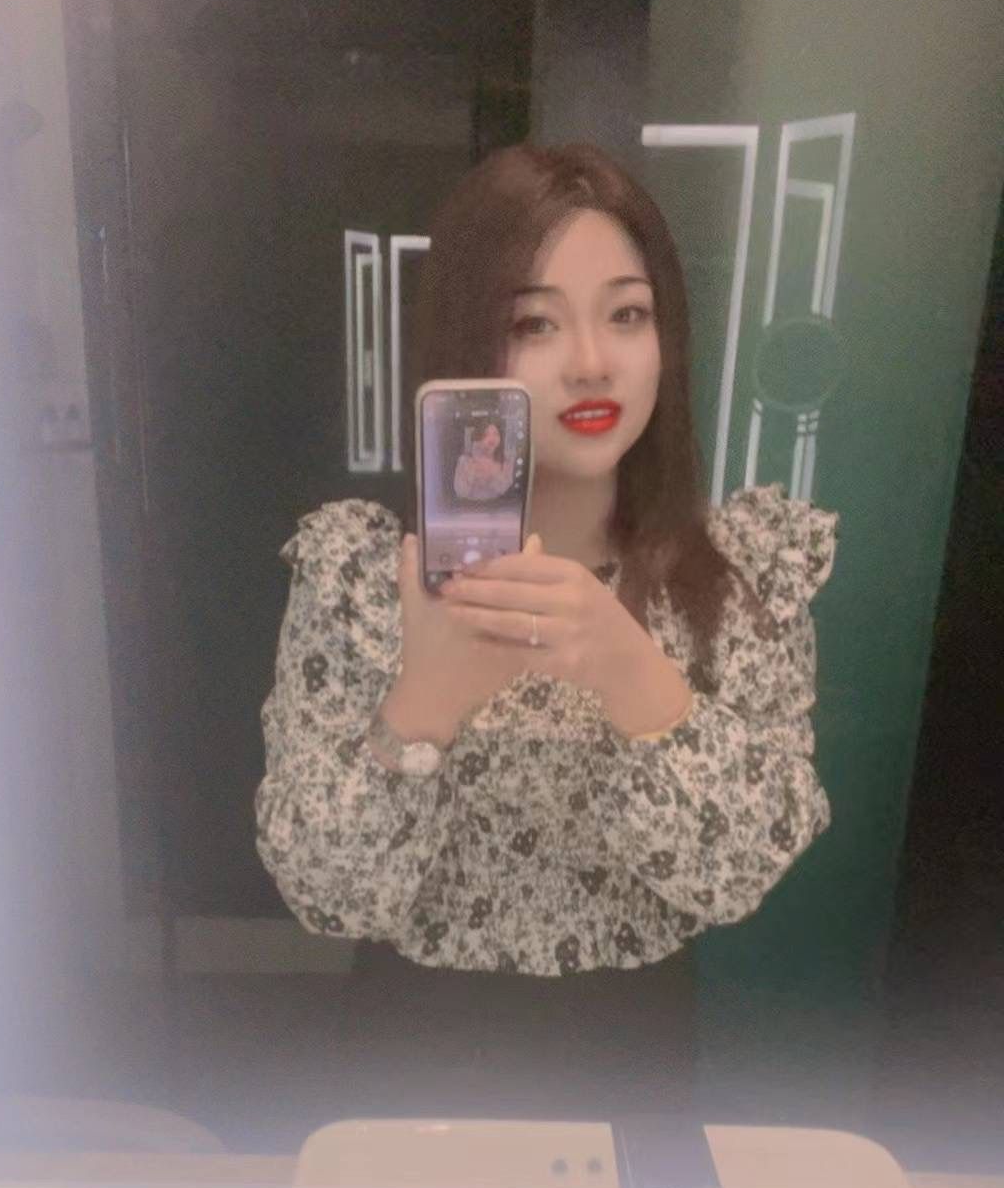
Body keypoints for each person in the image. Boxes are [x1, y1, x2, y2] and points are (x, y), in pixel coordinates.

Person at [255, 142, 838, 1120]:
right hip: (412, 1053)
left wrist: (632, 674)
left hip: (633, 1053)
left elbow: (738, 876)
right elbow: (327, 895)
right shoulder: (364, 577)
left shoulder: (735, 577)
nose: (591, 361)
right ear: (467, 344)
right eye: (534, 322)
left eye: (627, 314)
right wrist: (423, 707)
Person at [453, 420, 513, 501]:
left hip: (498, 505)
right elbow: (461, 492)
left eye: (496, 434)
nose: (492, 438)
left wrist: (491, 472)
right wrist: (472, 470)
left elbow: (504, 489)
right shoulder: (464, 460)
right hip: (469, 506)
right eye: (486, 435)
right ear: (477, 438)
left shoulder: (506, 460)